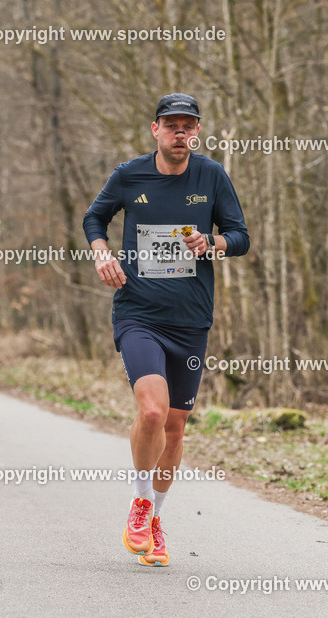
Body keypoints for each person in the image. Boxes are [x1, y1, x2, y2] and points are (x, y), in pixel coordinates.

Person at [82, 93, 250, 567]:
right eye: (172, 125)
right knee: (152, 411)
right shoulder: (129, 175)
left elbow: (240, 237)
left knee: (175, 428)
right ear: (155, 129)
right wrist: (101, 252)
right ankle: (139, 503)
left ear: (196, 132)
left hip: (191, 319)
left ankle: (156, 519)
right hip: (138, 312)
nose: (181, 133)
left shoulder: (212, 176)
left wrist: (211, 241)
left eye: (188, 126)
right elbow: (94, 216)